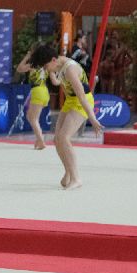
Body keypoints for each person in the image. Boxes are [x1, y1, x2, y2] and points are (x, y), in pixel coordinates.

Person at [30, 44, 104, 189]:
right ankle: (69, 171)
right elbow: (60, 83)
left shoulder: (70, 69)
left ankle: (76, 178)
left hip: (82, 101)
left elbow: (82, 97)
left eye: (46, 66)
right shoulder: (57, 64)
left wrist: (92, 118)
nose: (45, 70)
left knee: (64, 137)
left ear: (53, 60)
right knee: (57, 140)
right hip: (70, 101)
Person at [14, 46, 49, 150]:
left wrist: (27, 57)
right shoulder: (46, 65)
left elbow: (19, 68)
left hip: (38, 91)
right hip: (44, 90)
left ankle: (41, 141)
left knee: (33, 119)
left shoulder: (33, 65)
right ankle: (39, 138)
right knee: (30, 116)